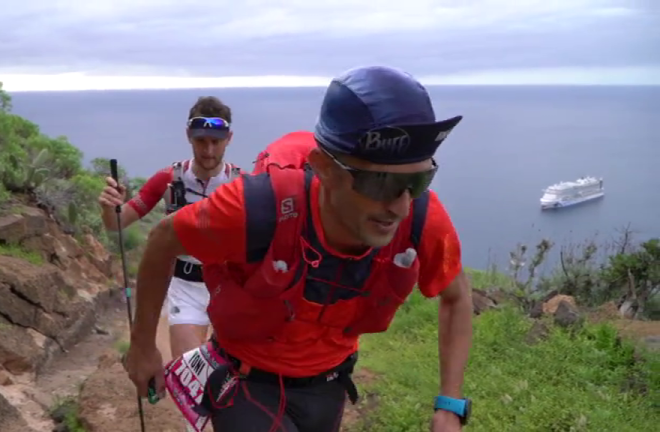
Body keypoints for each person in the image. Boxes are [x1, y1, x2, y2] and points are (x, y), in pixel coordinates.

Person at [124, 66, 474, 432]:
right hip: (247, 384)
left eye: (419, 180)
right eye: (380, 183)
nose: (401, 207)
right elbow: (163, 239)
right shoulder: (255, 207)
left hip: (329, 385)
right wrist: (143, 346)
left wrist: (449, 403)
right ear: (323, 168)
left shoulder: (421, 215)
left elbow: (457, 294)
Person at [98, 95, 242, 361]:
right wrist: (110, 206)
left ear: (229, 139)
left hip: (229, 286)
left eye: (216, 142)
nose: (208, 150)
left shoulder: (242, 183)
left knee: (231, 378)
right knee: (188, 373)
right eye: (201, 140)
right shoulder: (168, 179)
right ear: (189, 135)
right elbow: (118, 223)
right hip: (185, 285)